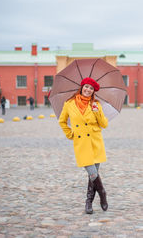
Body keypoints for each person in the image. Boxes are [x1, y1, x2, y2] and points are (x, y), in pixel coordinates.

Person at [58, 77, 109, 214]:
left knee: (92, 175)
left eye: (91, 88)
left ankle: (88, 202)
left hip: (95, 141)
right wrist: (70, 134)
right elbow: (62, 121)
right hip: (81, 143)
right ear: (82, 87)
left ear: (93, 92)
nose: (88, 90)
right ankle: (102, 193)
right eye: (86, 87)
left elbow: (104, 124)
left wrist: (96, 111)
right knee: (93, 173)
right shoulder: (69, 103)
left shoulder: (96, 104)